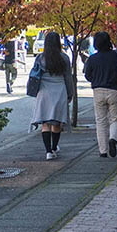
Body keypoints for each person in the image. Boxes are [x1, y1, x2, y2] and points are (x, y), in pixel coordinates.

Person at [30, 31, 74, 160]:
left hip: (44, 91)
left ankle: (48, 151)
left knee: (45, 122)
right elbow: (68, 77)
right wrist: (70, 93)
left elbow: (35, 75)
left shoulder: (40, 58)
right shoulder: (64, 58)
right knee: (56, 122)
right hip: (60, 89)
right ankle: (54, 147)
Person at [84, 32, 117, 158]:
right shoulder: (115, 56)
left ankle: (103, 150)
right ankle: (113, 138)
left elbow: (88, 75)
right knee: (114, 118)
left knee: (100, 121)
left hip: (98, 90)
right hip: (114, 90)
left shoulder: (92, 58)